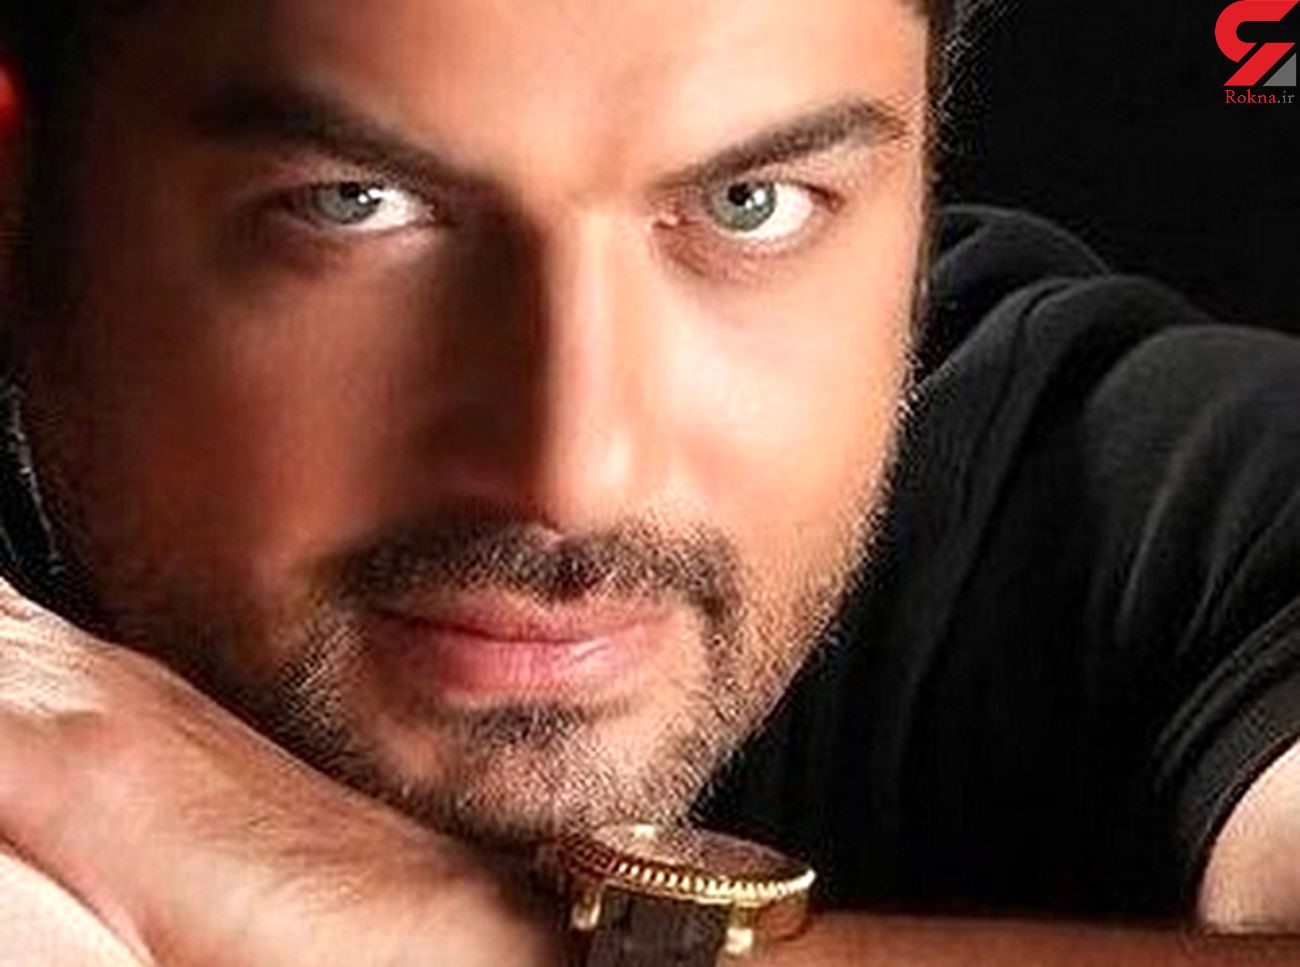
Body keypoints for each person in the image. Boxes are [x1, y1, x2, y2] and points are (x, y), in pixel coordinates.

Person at [0, 0, 1298, 963]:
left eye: (750, 203)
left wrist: (425, 931)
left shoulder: (1160, 488)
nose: (574, 476)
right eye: (351, 203)